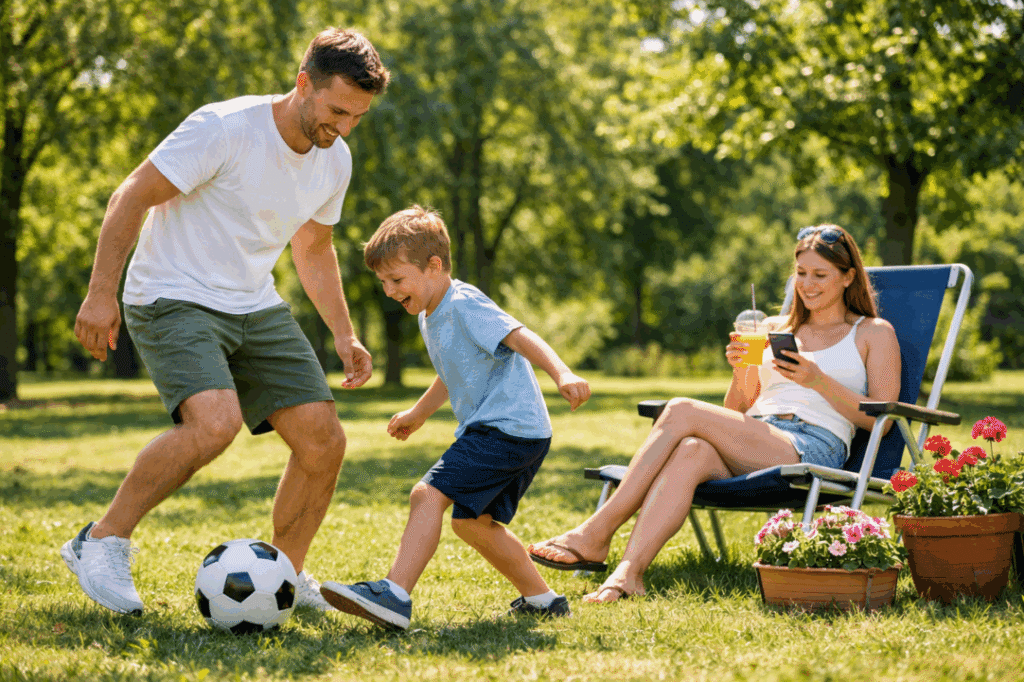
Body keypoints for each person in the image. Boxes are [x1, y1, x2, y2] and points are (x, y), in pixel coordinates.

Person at [62, 28, 391, 615]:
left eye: (358, 117)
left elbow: (313, 249)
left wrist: (344, 334)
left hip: (251, 301)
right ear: (303, 84)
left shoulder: (334, 158)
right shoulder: (225, 128)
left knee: (323, 440)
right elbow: (131, 195)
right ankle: (102, 540)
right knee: (215, 425)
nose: (344, 127)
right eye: (338, 110)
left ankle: (284, 576)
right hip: (171, 292)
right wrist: (99, 294)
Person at [527, 224, 901, 603]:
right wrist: (742, 368)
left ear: (848, 276)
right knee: (691, 448)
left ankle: (596, 532)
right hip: (758, 435)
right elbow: (734, 411)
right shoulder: (771, 328)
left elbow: (881, 422)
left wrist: (818, 380)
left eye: (821, 275)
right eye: (801, 273)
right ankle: (628, 574)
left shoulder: (873, 332)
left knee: (681, 409)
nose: (808, 284)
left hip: (813, 447)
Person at [319, 205, 592, 629]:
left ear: (434, 266)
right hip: (518, 432)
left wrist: (562, 372)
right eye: (384, 282)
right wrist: (418, 413)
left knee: (426, 495)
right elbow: (452, 372)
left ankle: (393, 594)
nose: (390, 291)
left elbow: (520, 335)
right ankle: (544, 600)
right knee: (472, 523)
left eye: (397, 279)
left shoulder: (463, 303)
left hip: (506, 429)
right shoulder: (431, 312)